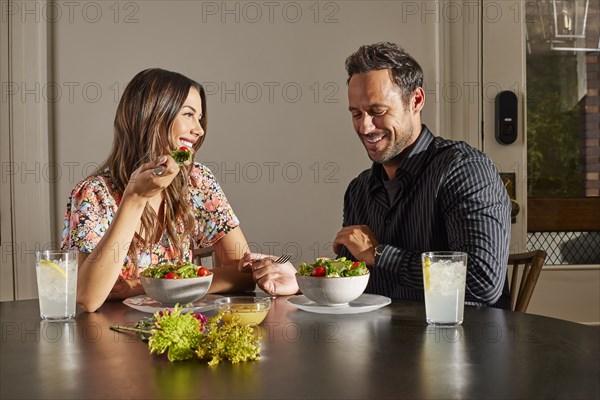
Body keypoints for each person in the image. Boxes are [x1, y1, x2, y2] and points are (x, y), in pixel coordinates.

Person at [61, 68, 298, 312]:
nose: (200, 130)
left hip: (183, 328)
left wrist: (144, 286)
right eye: (188, 115)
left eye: (200, 118)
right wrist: (134, 198)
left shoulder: (198, 181)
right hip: (112, 336)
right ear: (151, 116)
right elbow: (88, 298)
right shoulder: (93, 194)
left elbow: (243, 273)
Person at [332, 42, 511, 308]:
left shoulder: (465, 171)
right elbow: (353, 285)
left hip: (463, 344)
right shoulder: (358, 190)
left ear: (416, 100)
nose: (365, 126)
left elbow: (480, 282)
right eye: (356, 114)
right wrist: (304, 283)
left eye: (377, 111)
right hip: (379, 343)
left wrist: (379, 254)